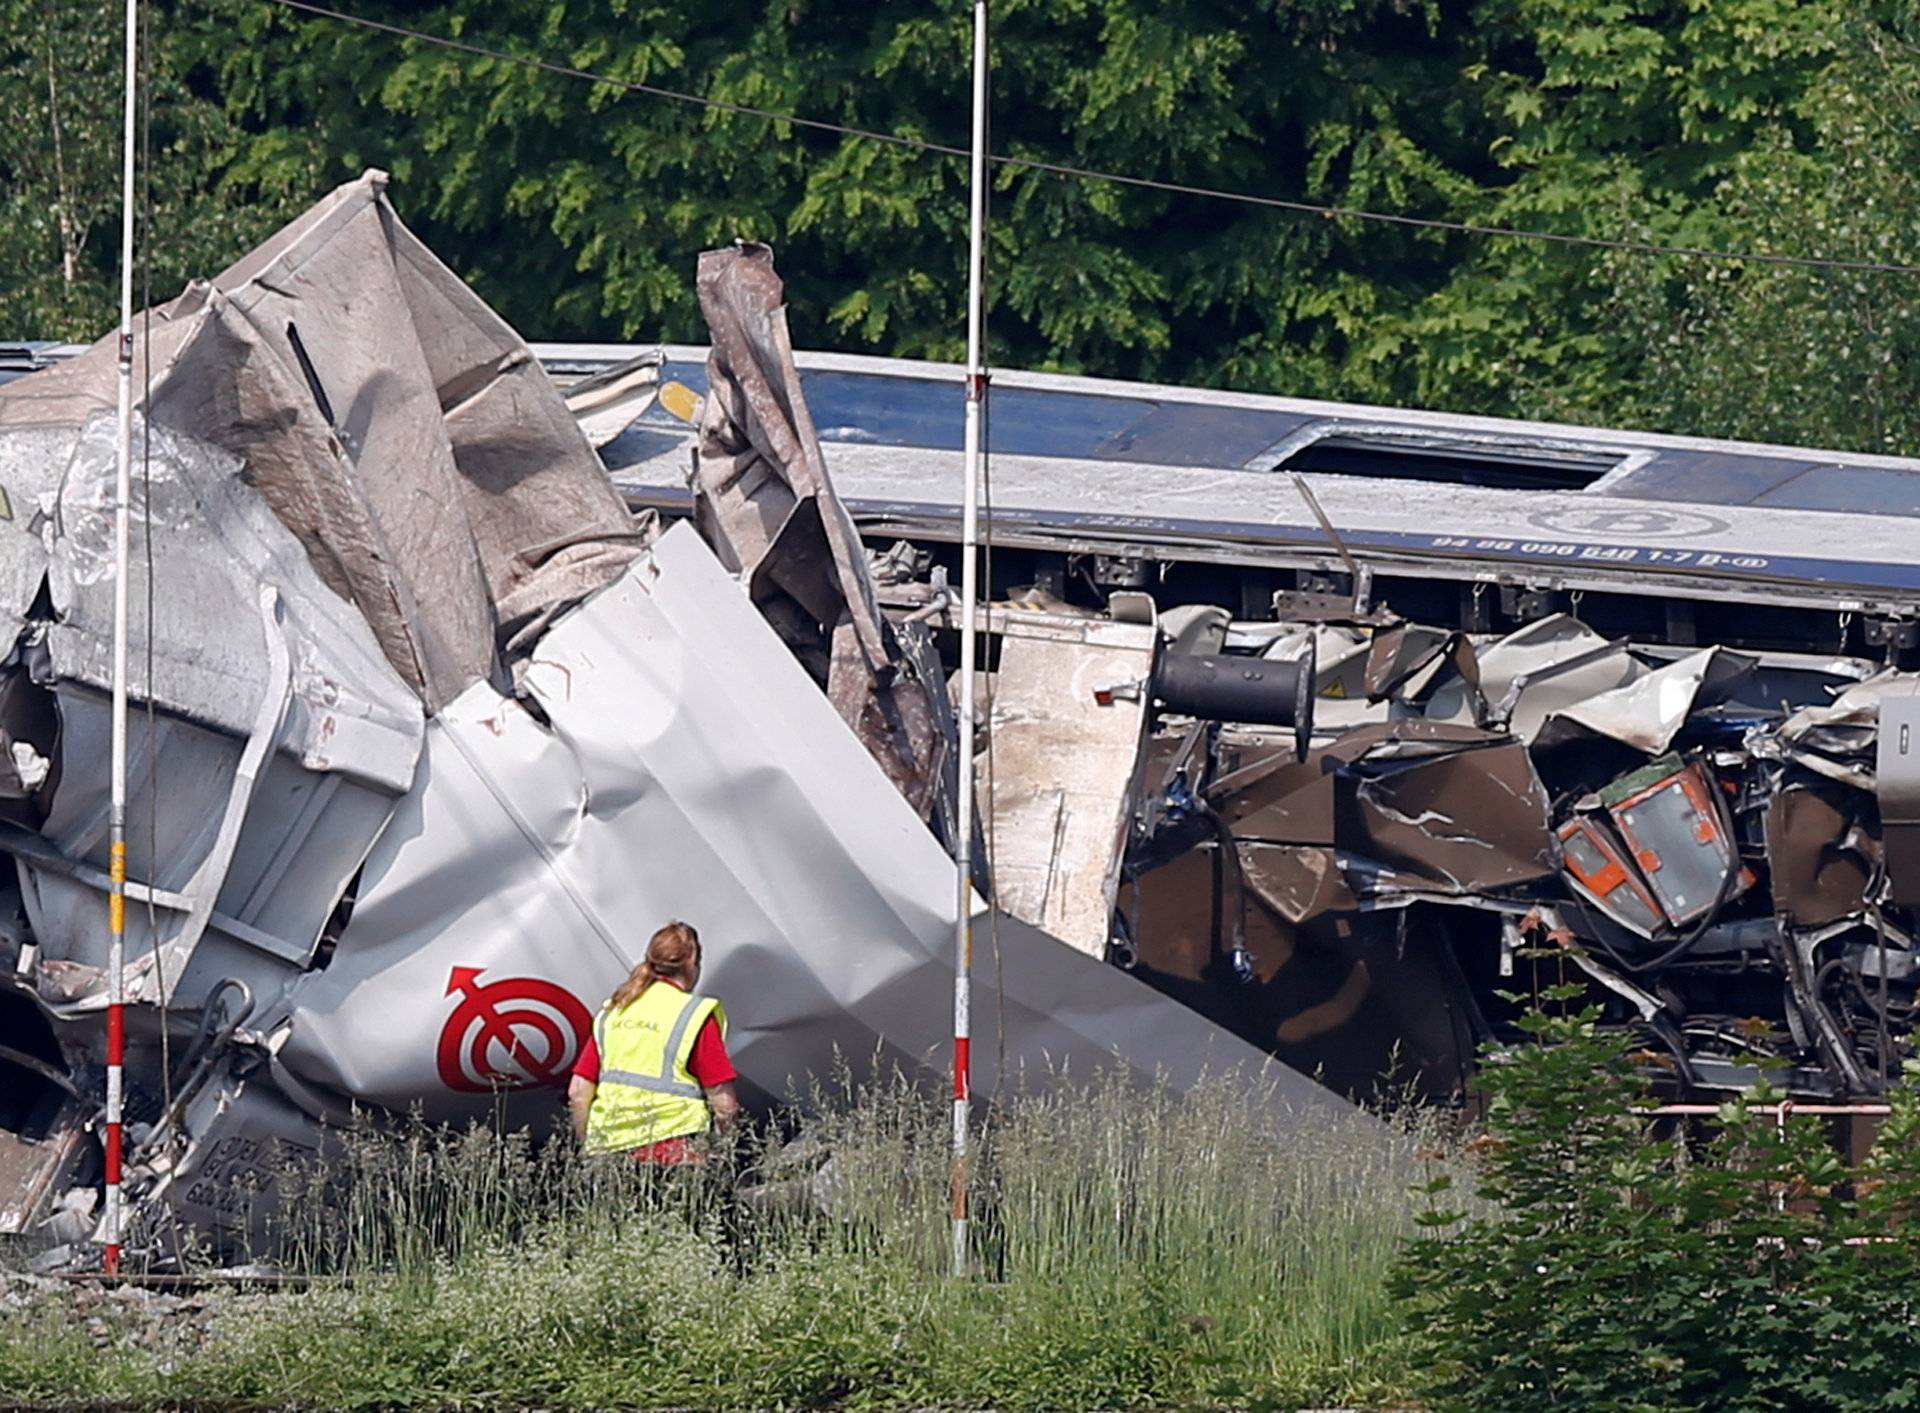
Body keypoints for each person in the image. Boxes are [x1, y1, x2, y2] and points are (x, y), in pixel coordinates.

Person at [568, 920, 740, 1161]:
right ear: (692, 962)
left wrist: (589, 1144)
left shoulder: (614, 1012)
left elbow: (578, 1092)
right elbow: (724, 1105)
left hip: (609, 1152)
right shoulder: (691, 1013)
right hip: (675, 1150)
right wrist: (726, 1148)